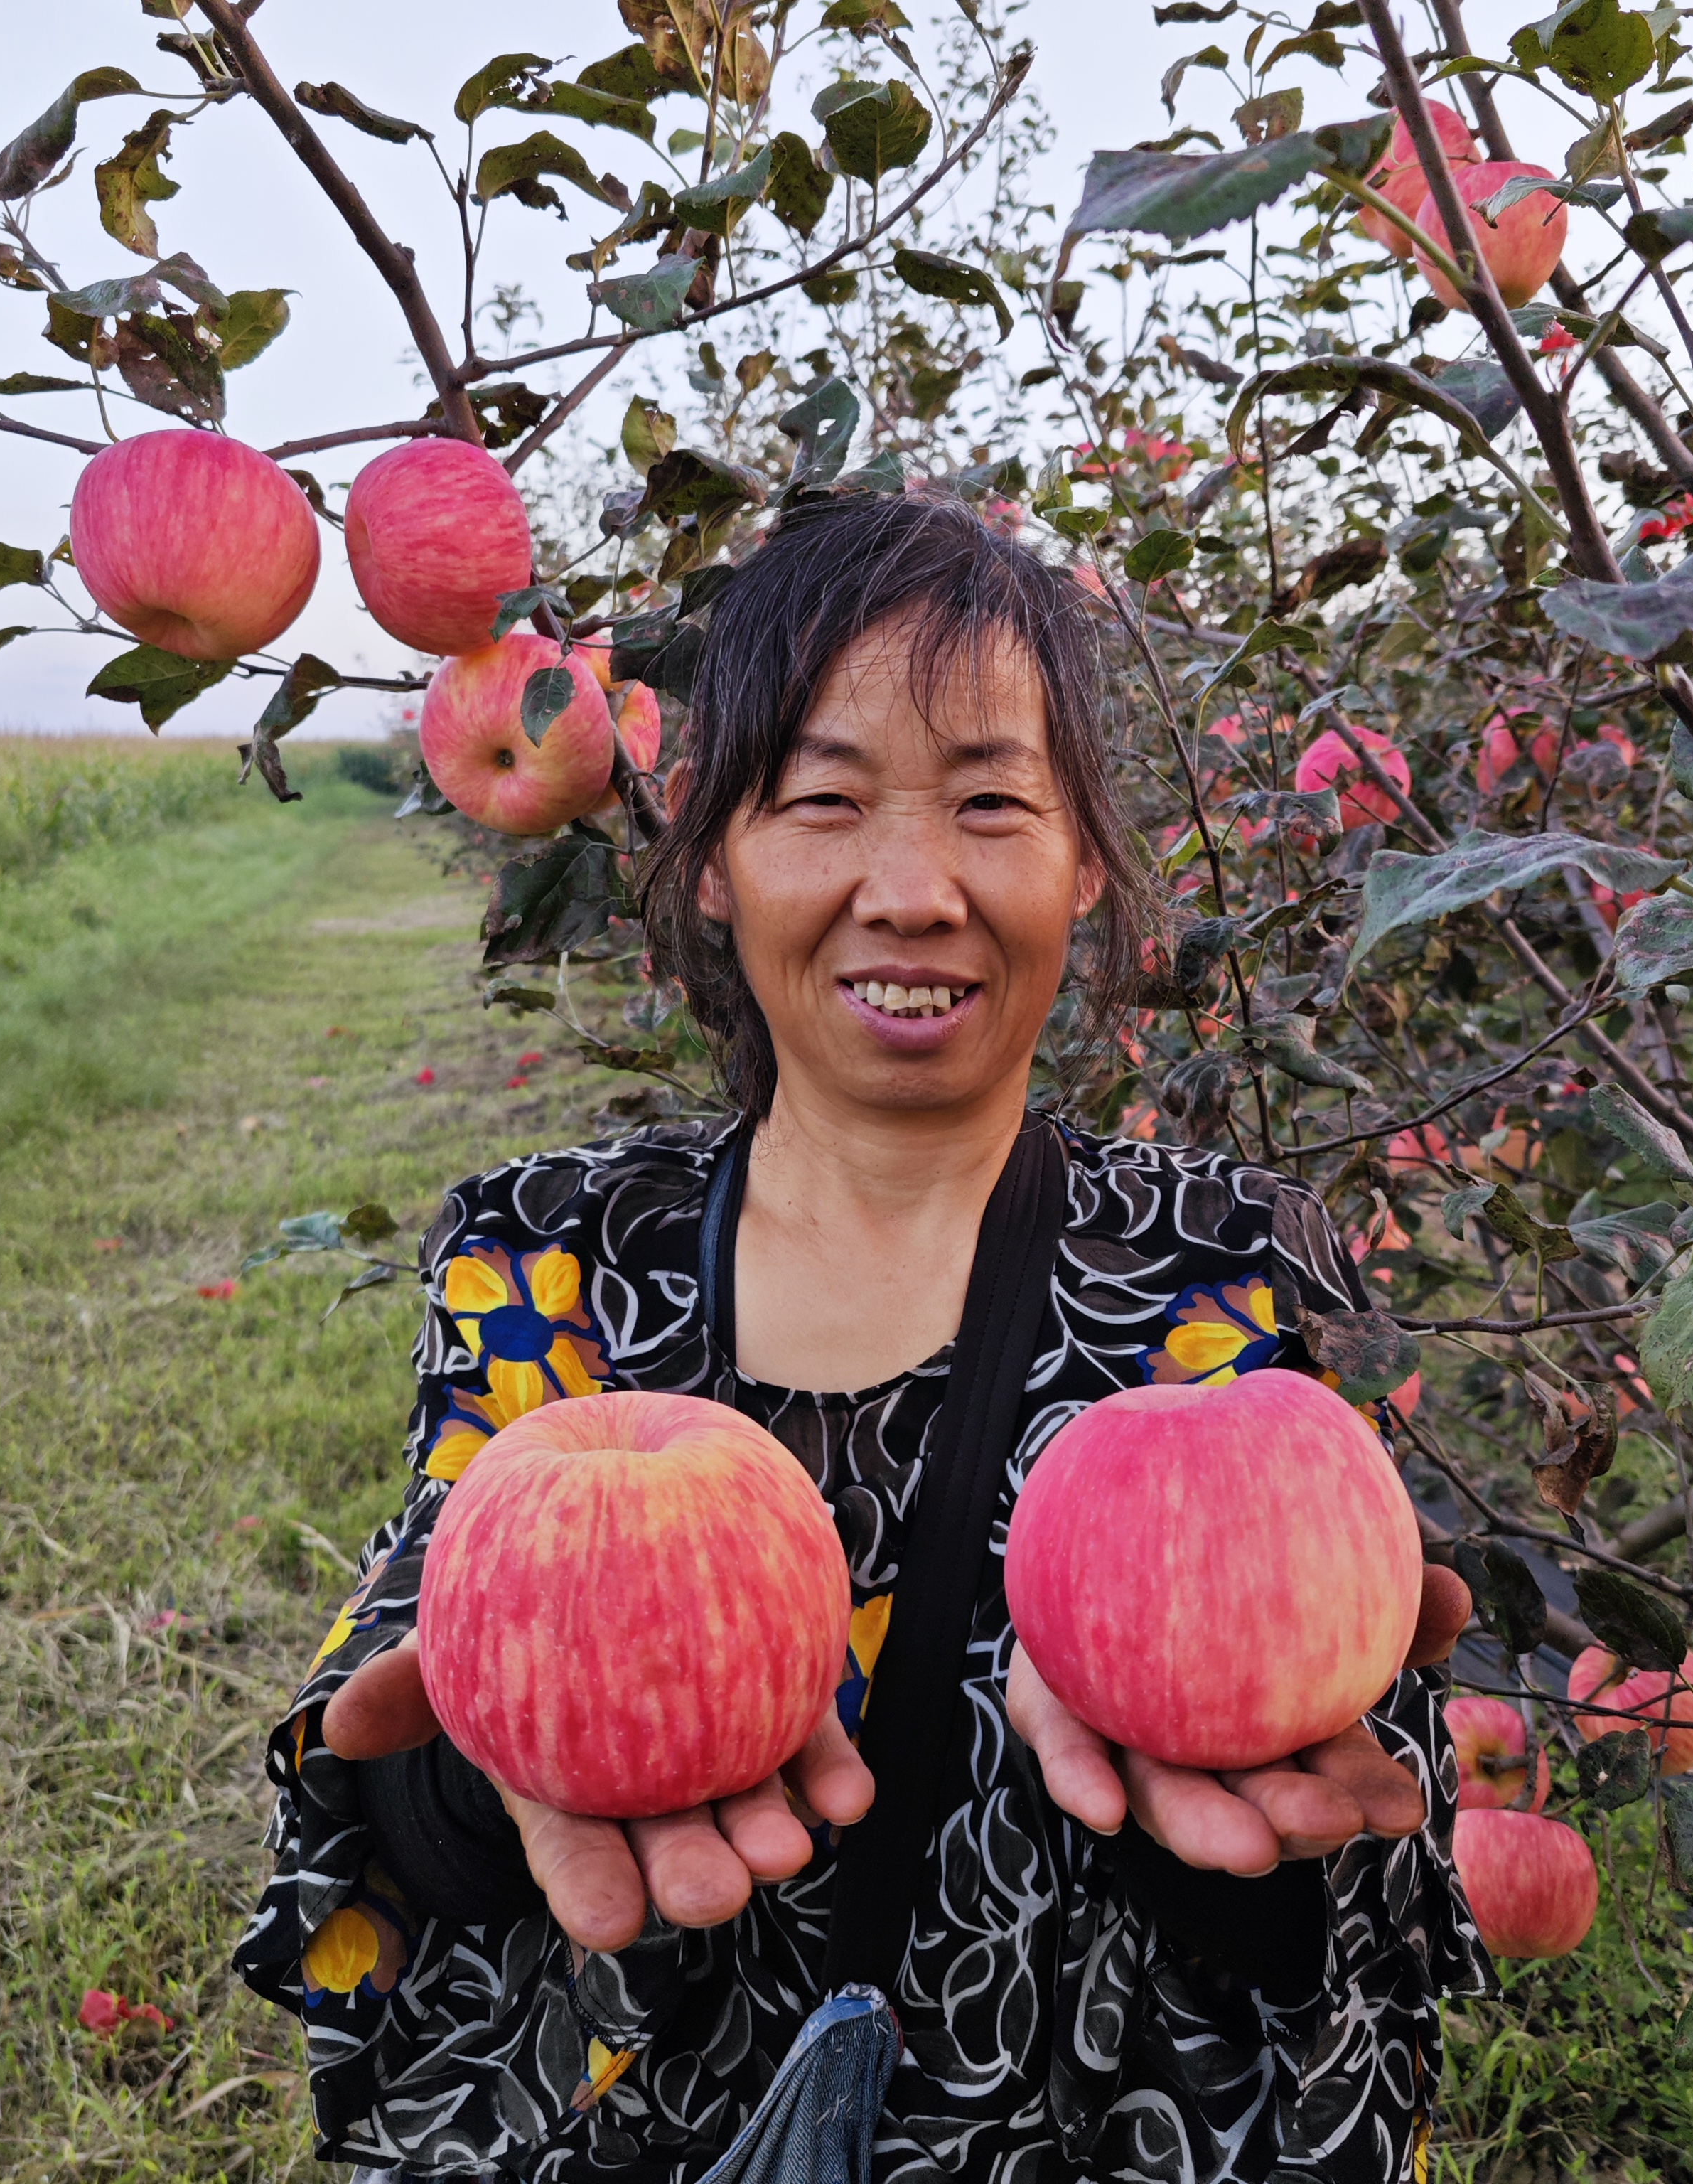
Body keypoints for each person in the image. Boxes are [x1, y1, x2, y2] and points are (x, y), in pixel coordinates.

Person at [235, 490, 1489, 2184]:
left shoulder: (1226, 1272)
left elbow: (1357, 1909)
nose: (911, 892)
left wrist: (1200, 1792)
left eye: (992, 804)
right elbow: (399, 1773)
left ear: (1085, 863)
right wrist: (482, 1781)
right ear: (712, 858)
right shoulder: (548, 1259)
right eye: (823, 801)